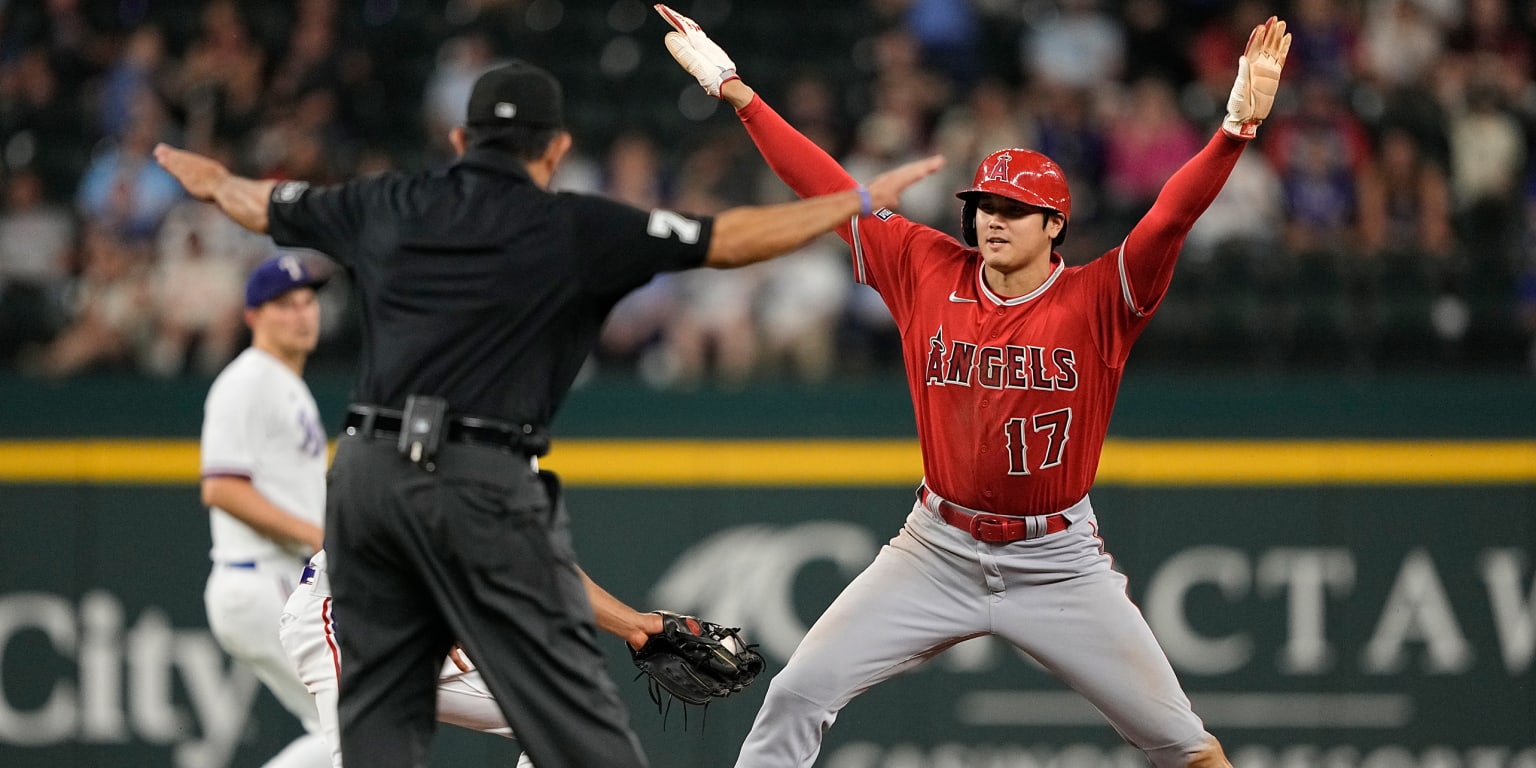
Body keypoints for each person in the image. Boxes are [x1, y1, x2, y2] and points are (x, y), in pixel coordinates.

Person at [154, 58, 941, 768]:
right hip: (475, 475)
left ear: (461, 137)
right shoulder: (577, 226)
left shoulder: (385, 201)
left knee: (386, 741)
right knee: (572, 736)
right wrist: (854, 203)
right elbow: (729, 239)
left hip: (371, 481)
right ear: (557, 148)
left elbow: (259, 203)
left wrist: (211, 178)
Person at [655, 6, 1291, 767]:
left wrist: (1234, 131)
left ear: (1055, 224)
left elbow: (1170, 216)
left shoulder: (1100, 299)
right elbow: (827, 188)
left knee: (1185, 748)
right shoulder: (924, 266)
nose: (994, 219)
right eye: (985, 205)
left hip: (1057, 563)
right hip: (936, 547)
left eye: (1015, 211)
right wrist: (736, 92)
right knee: (796, 694)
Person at [278, 548, 666, 768]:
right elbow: (388, 500)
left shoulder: (514, 439)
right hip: (348, 614)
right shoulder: (457, 419)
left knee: (569, 725)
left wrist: (634, 625)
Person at [199, 253, 332, 768]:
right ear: (253, 316)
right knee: (360, 724)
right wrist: (319, 536)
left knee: (346, 728)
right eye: (284, 304)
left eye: (307, 301)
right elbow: (223, 488)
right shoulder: (247, 380)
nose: (302, 313)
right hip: (259, 580)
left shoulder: (284, 383)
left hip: (276, 579)